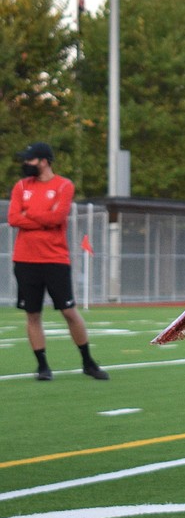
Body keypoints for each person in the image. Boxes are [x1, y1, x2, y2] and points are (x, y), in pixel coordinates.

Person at [8, 142, 109, 382]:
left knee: (68, 311)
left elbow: (56, 218)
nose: (26, 164)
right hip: (24, 259)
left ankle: (88, 362)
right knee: (32, 314)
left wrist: (28, 215)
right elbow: (13, 217)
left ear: (44, 161)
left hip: (55, 259)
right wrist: (39, 218)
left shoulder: (64, 185)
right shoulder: (21, 186)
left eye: (30, 160)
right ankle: (42, 366)